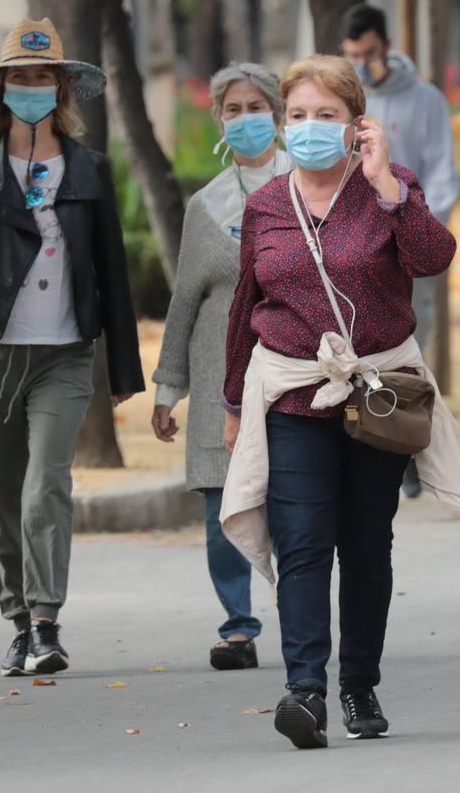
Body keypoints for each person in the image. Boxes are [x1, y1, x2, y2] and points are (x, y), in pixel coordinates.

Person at [219, 55, 460, 750]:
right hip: (294, 397)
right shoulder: (266, 204)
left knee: (364, 545)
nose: (308, 128)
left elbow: (433, 258)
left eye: (326, 115)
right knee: (301, 545)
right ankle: (304, 690)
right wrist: (234, 403)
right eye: (297, 116)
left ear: (356, 124)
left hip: (376, 398)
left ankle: (358, 683)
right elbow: (246, 305)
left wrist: (388, 182)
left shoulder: (388, 190)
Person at [0, 17, 144, 677]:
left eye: (44, 77)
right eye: (21, 77)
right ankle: (17, 620)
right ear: (1, 88)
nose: (32, 87)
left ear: (62, 90)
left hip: (64, 353)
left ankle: (46, 622)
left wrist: (122, 367)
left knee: (45, 488)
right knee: (3, 493)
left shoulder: (89, 169)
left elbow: (112, 269)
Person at [150, 62, 292, 672]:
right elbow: (184, 301)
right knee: (220, 508)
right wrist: (168, 386)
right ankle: (238, 625)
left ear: (279, 115)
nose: (244, 120)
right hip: (217, 380)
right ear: (218, 121)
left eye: (255, 108)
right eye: (232, 111)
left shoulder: (313, 187)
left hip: (293, 374)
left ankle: (303, 616)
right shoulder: (204, 206)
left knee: (294, 503)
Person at [339, 3, 460, 498]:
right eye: (353, 55)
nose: (363, 63)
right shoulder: (345, 100)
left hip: (408, 244)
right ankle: (357, 439)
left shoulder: (424, 99)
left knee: (405, 349)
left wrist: (421, 232)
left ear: (385, 44)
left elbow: (443, 173)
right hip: (353, 247)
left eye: (369, 53)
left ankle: (406, 445)